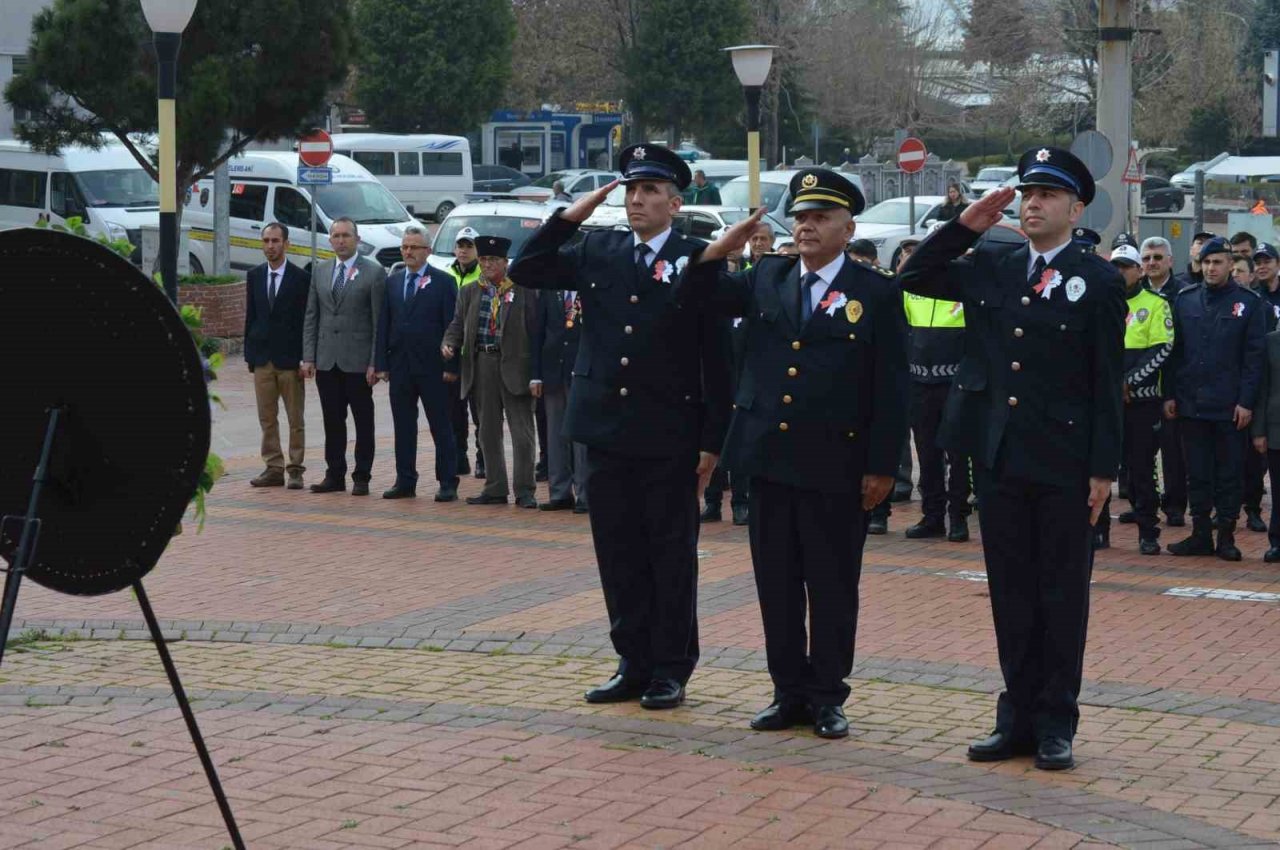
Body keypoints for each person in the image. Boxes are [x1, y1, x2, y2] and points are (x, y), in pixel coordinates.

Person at [898, 146, 1126, 771]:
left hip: (1065, 461)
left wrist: (1104, 469)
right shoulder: (993, 266)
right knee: (1011, 594)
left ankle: (1057, 723)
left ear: (1076, 209)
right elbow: (914, 279)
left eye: (1048, 195)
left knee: (1060, 595)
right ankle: (1016, 719)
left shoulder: (1098, 279)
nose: (1032, 204)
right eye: (1028, 193)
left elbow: (1108, 382)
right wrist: (964, 226)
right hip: (998, 455)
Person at [679, 167, 909, 739]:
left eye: (821, 217)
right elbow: (696, 292)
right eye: (802, 217)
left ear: (848, 226)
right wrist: (720, 248)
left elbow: (891, 386)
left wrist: (883, 465)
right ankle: (787, 693)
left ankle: (828, 695)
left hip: (839, 464)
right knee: (776, 586)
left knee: (832, 586)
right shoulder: (767, 276)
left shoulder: (874, 291)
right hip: (770, 459)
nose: (807, 227)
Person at [510, 143, 732, 711]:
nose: (637, 200)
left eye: (650, 191)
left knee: (670, 553)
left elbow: (716, 356)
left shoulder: (697, 257)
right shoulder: (599, 248)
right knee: (618, 551)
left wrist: (712, 441)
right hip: (605, 427)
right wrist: (571, 215)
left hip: (669, 432)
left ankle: (671, 667)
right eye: (631, 190)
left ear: (675, 203)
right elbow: (525, 268)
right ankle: (632, 661)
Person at [1164, 237, 1269, 561]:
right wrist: (1169, 394)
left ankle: (1225, 536)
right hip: (1191, 404)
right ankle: (1199, 534)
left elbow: (1255, 360)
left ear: (1230, 265)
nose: (1211, 268)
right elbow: (1174, 352)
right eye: (1207, 263)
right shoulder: (1185, 300)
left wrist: (1246, 402)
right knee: (1196, 473)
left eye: (1218, 262)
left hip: (1229, 407)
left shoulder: (1249, 304)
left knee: (1228, 474)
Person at [442, 236, 539, 508]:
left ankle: (524, 490)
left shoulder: (523, 290)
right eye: (484, 260)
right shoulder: (470, 291)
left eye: (493, 260)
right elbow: (457, 324)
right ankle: (495, 487)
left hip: (515, 366)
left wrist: (536, 372)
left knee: (522, 431)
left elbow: (536, 332)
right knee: (487, 430)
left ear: (505, 262)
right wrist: (449, 343)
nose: (487, 265)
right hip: (481, 363)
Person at [301, 217, 387, 496]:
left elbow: (378, 322)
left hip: (359, 361)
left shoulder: (374, 273)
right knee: (332, 421)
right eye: (335, 236)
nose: (340, 241)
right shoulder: (321, 271)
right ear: (329, 240)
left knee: (363, 421)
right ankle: (334, 474)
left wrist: (375, 361)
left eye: (346, 236)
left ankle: (362, 475)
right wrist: (309, 356)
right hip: (327, 359)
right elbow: (312, 316)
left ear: (357, 239)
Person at [375, 225, 459, 502]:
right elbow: (384, 324)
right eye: (405, 247)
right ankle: (405, 479)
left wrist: (451, 367)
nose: (408, 252)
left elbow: (452, 327)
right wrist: (381, 363)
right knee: (403, 425)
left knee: (440, 424)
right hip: (400, 366)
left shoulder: (444, 282)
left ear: (428, 251)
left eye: (414, 247)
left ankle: (447, 480)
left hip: (433, 367)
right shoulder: (393, 282)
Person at [900, 234, 971, 542]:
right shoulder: (909, 290)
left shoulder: (961, 286)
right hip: (919, 383)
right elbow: (901, 333)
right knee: (927, 454)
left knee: (957, 454)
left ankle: (958, 517)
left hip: (956, 385)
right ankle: (932, 516)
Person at [703, 222, 773, 526]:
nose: (756, 243)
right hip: (721, 374)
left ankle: (741, 502)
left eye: (762, 239)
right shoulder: (730, 278)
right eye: (752, 238)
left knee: (740, 442)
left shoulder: (761, 281)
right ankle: (713, 501)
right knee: (715, 439)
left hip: (747, 376)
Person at [1109, 244, 1173, 554]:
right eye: (1116, 266)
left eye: (1126, 266)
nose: (1121, 272)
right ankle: (1098, 532)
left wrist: (1129, 381)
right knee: (1102, 466)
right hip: (1107, 400)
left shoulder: (1155, 304)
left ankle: (1148, 531)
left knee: (1141, 468)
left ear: (1139, 270)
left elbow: (1162, 349)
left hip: (1142, 402)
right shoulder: (1102, 303)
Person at [244, 222, 310, 490]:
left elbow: (307, 320)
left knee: (295, 417)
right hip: (262, 359)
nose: (270, 246)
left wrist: (306, 358)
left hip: (290, 360)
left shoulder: (300, 278)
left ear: (286, 243)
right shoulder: (254, 275)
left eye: (275, 241)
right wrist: (250, 355)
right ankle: (273, 467)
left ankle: (295, 469)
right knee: (267, 417)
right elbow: (251, 316)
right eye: (266, 241)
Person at [1138, 236, 1187, 527]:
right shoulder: (1132, 292)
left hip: (1170, 385)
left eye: (1157, 257)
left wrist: (1173, 391)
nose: (1152, 263)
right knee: (1140, 451)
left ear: (1170, 260)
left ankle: (1175, 505)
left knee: (1172, 452)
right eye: (1146, 258)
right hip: (1139, 386)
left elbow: (1181, 347)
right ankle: (1142, 503)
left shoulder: (1183, 293)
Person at [531, 278, 588, 513]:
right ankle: (560, 492)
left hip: (583, 371)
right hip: (553, 370)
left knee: (582, 438)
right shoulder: (549, 289)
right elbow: (537, 332)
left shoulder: (590, 289)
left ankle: (585, 493)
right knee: (555, 434)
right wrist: (535, 375)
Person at [446, 227, 484, 478]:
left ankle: (484, 458)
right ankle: (460, 457)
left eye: (469, 246)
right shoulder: (445, 275)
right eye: (460, 245)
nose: (463, 250)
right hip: (453, 356)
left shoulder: (484, 275)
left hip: (478, 357)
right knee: (454, 412)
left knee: (482, 413)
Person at [1249, 323, 1280, 561]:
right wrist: (1259, 430)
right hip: (1275, 428)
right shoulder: (1270, 341)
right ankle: (1277, 541)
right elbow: (1262, 390)